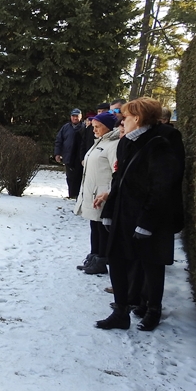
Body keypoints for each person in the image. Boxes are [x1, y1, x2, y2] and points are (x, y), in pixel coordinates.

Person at [95, 97, 185, 332]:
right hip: (123, 213)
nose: (122, 120)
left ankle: (153, 310)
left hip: (147, 216)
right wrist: (109, 210)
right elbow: (119, 180)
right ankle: (120, 311)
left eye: (125, 116)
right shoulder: (126, 143)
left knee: (151, 264)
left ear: (138, 118)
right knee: (116, 259)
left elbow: (161, 186)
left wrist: (146, 222)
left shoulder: (158, 144)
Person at [74, 111, 120, 275]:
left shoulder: (113, 145)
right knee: (94, 226)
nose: (94, 130)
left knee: (101, 228)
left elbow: (117, 171)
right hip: (92, 192)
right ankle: (94, 255)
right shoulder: (99, 141)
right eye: (93, 127)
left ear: (107, 127)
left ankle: (101, 258)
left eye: (97, 127)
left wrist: (108, 192)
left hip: (102, 195)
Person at [53, 108, 84, 198]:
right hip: (68, 156)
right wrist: (57, 153)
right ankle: (71, 194)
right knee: (69, 177)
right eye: (73, 116)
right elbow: (59, 140)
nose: (75, 118)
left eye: (77, 116)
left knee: (79, 177)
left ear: (80, 117)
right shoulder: (65, 127)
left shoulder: (84, 127)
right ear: (70, 117)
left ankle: (77, 195)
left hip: (79, 157)